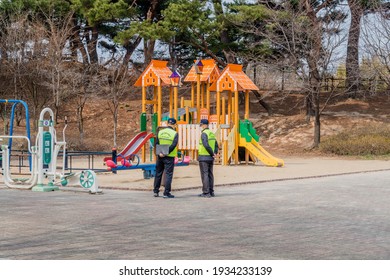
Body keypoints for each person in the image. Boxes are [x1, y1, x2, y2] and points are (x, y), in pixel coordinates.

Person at [153, 118, 178, 198]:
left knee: (158, 173)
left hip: (160, 156)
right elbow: (173, 145)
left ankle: (156, 191)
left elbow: (156, 143)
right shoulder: (174, 133)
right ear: (174, 125)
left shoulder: (160, 132)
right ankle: (166, 193)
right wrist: (165, 153)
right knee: (168, 174)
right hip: (169, 157)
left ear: (167, 123)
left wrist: (160, 153)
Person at [198, 119, 218, 198]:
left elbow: (206, 145)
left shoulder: (204, 134)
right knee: (210, 174)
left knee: (205, 174)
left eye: (201, 125)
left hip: (204, 157)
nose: (200, 127)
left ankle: (206, 192)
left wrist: (211, 153)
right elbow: (216, 145)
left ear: (203, 125)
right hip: (210, 158)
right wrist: (214, 153)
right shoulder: (211, 133)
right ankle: (211, 191)